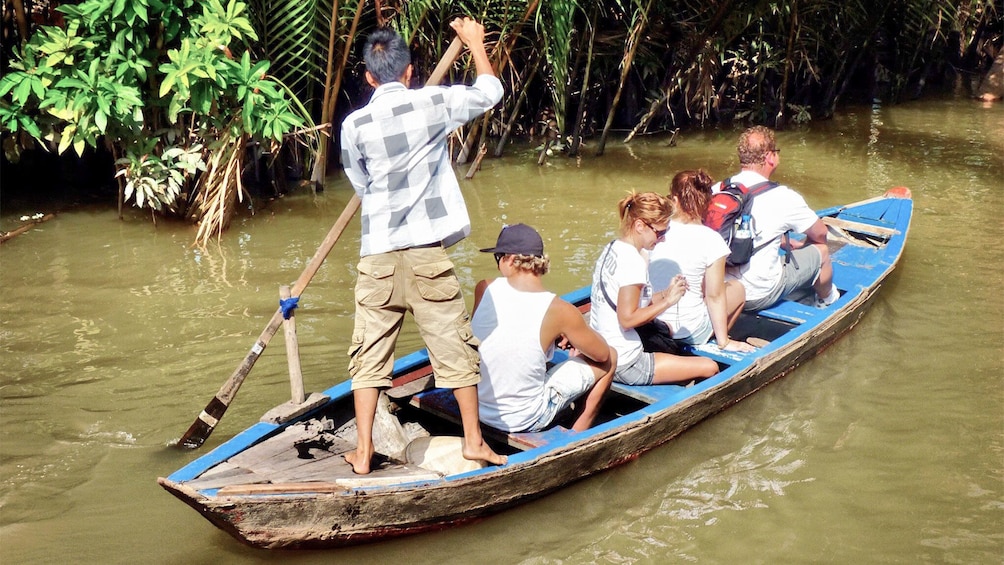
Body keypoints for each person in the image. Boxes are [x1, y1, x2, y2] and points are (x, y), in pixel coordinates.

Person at [339, 18, 506, 474]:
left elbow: (361, 182)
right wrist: (474, 43)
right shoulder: (434, 103)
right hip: (426, 253)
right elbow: (490, 91)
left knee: (368, 356)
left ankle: (363, 451)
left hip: (377, 256)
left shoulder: (353, 126)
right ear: (410, 72)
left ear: (370, 78)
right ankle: (474, 442)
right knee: (455, 347)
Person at [471, 224, 616, 433]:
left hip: (479, 409)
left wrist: (559, 332)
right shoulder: (559, 310)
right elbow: (601, 355)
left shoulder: (484, 287)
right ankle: (576, 435)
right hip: (525, 419)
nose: (497, 265)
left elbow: (501, 334)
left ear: (510, 260)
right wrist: (569, 333)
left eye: (498, 257)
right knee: (611, 357)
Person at [589, 192, 720, 385]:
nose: (663, 239)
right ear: (640, 226)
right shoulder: (633, 262)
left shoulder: (612, 248)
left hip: (602, 348)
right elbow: (627, 319)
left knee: (666, 333)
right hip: (627, 363)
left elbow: (634, 303)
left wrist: (667, 293)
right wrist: (668, 302)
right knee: (710, 367)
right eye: (660, 233)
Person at [724, 126, 839, 311]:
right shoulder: (783, 196)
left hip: (722, 291)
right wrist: (806, 246)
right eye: (777, 152)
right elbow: (820, 233)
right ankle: (828, 300)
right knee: (822, 251)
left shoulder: (718, 189)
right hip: (759, 294)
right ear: (770, 157)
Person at [650, 170, 755, 352]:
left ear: (674, 200)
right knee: (737, 288)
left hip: (651, 323)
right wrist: (725, 342)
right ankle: (719, 340)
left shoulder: (655, 231)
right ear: (709, 202)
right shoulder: (712, 239)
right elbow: (714, 296)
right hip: (689, 332)